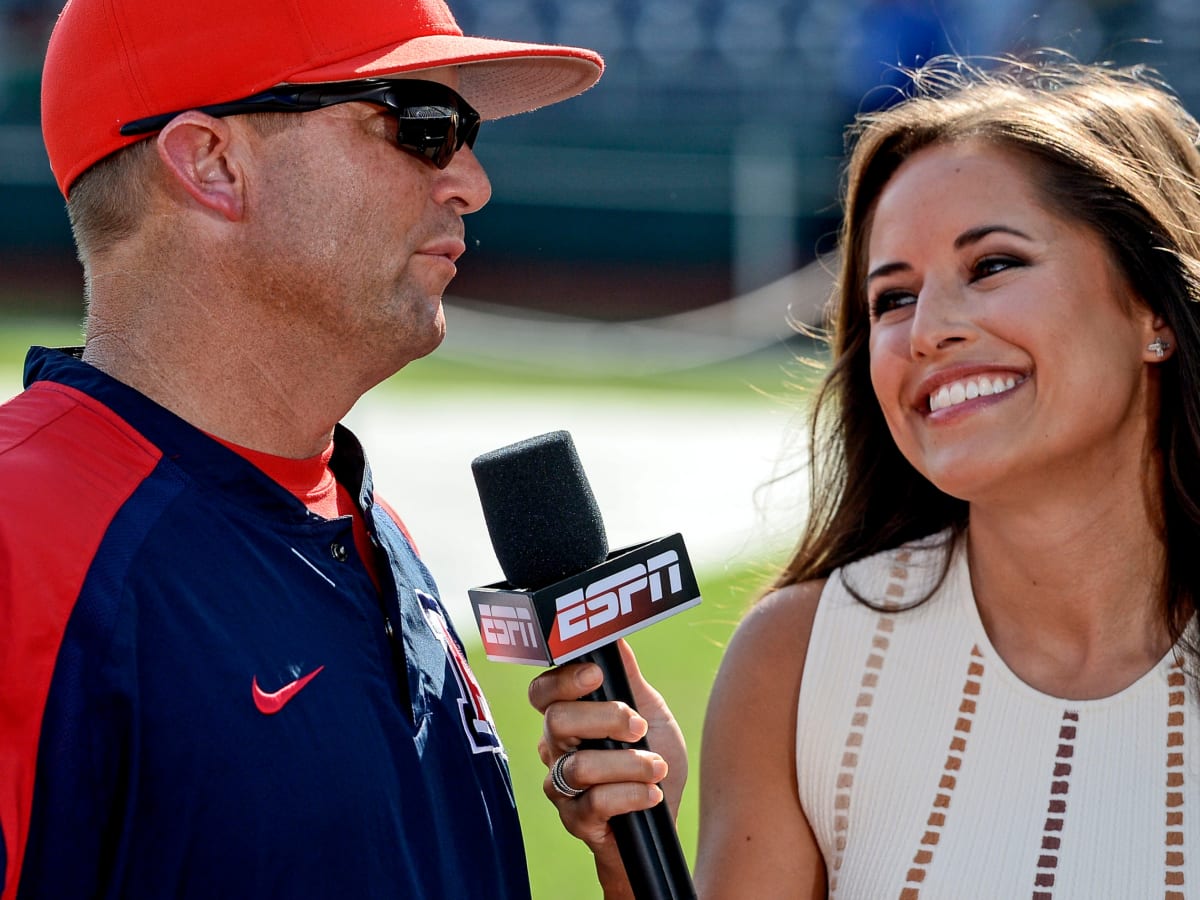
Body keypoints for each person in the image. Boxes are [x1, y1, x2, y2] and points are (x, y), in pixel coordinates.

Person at [530, 54, 1200, 898]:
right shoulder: (796, 661)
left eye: (991, 265)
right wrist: (635, 856)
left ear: (1152, 310)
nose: (927, 331)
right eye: (891, 299)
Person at [0, 0, 602, 897]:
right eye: (423, 126)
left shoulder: (368, 524)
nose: (471, 182)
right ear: (213, 163)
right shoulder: (24, 541)